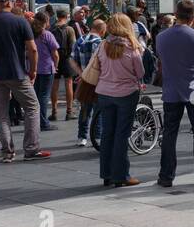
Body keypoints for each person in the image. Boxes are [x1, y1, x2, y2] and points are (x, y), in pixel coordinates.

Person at [0, 0, 49, 163]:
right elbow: (33, 49)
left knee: (0, 114)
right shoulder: (20, 21)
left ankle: (7, 151)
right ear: (9, 3)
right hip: (17, 73)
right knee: (32, 107)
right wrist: (33, 70)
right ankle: (31, 148)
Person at [157, 0, 194, 187]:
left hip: (172, 88)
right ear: (193, 17)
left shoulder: (161, 37)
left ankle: (166, 176)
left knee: (170, 132)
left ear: (176, 13)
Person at [91, 13, 145, 187]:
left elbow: (97, 66)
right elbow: (141, 73)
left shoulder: (102, 45)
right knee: (122, 135)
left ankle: (106, 174)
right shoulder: (132, 48)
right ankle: (121, 175)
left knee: (107, 133)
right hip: (126, 94)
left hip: (104, 93)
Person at [75, 17, 106, 148]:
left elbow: (72, 59)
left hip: (85, 79)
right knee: (98, 109)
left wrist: (81, 74)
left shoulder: (80, 40)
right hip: (98, 80)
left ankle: (82, 136)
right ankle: (97, 136)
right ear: (102, 30)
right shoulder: (101, 43)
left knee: (85, 110)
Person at [31, 12, 60, 131]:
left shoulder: (32, 34)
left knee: (36, 96)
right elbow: (55, 54)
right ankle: (43, 123)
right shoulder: (47, 35)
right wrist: (56, 66)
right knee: (44, 96)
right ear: (46, 22)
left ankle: (36, 121)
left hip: (34, 68)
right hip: (47, 69)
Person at [51, 9, 78, 122]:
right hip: (66, 59)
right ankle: (69, 111)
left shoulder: (51, 28)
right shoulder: (69, 29)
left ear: (57, 16)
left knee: (55, 85)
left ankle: (54, 112)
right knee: (69, 84)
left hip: (54, 58)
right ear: (66, 16)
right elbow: (73, 45)